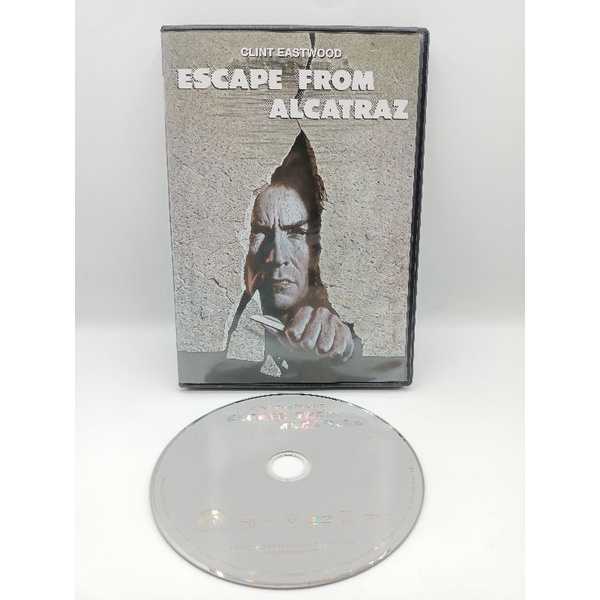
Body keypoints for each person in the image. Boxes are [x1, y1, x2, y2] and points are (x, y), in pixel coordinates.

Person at [225, 130, 361, 379]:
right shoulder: (223, 336)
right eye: (259, 233)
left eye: (297, 232)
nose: (277, 256)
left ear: (317, 248)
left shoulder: (345, 328)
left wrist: (345, 345)